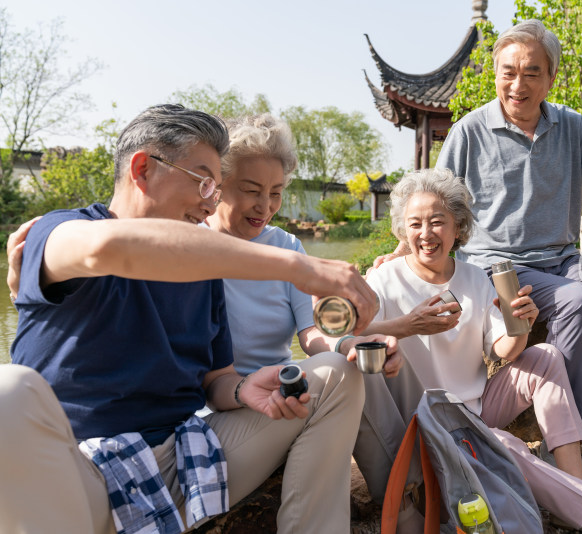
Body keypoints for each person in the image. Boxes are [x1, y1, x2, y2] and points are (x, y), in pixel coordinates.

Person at [0, 104, 375, 534]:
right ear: (142, 169)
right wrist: (297, 266)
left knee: (335, 376)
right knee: (7, 391)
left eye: (216, 188)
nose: (209, 202)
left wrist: (243, 388)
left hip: (187, 464)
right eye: (203, 183)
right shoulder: (58, 232)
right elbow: (103, 249)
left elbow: (217, 380)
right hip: (80, 475)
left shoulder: (203, 268)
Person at [375, 18, 582, 508]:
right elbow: (430, 199)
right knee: (576, 300)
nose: (517, 85)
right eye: (507, 72)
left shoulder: (572, 125)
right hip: (497, 264)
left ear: (551, 78)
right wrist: (399, 249)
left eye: (531, 73)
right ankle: (567, 438)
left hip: (563, 258)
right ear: (496, 73)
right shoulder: (469, 130)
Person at [362, 168, 582, 533]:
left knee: (546, 355)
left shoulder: (472, 278)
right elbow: (350, 334)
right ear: (402, 231)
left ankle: (575, 483)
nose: (426, 233)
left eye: (437, 222)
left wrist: (522, 325)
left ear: (457, 228)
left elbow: (503, 350)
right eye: (415, 224)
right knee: (503, 447)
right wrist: (408, 326)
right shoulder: (385, 278)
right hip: (421, 424)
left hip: (476, 410)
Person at [200, 113, 406, 507]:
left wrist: (350, 344)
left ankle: (398, 497)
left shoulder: (288, 247)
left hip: (284, 389)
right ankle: (405, 501)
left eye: (276, 192)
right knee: (340, 376)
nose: (265, 206)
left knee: (354, 365)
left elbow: (312, 333)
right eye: (251, 189)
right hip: (228, 404)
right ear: (217, 184)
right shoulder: (187, 245)